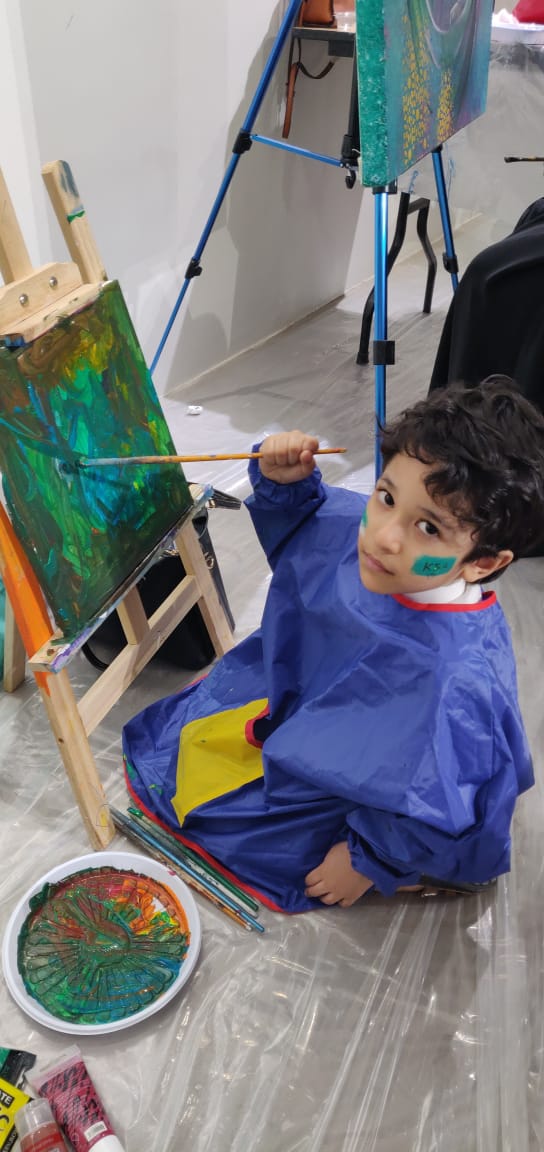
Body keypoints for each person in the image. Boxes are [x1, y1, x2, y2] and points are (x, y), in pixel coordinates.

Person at [122, 380, 544, 913]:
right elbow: (311, 528)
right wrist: (287, 486)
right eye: (386, 497)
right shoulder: (367, 537)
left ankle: (415, 873)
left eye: (428, 527)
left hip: (389, 792)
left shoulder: (458, 682)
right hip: (321, 720)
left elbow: (439, 797)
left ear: (483, 563)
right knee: (196, 756)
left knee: (253, 834)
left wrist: (367, 861)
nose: (384, 535)